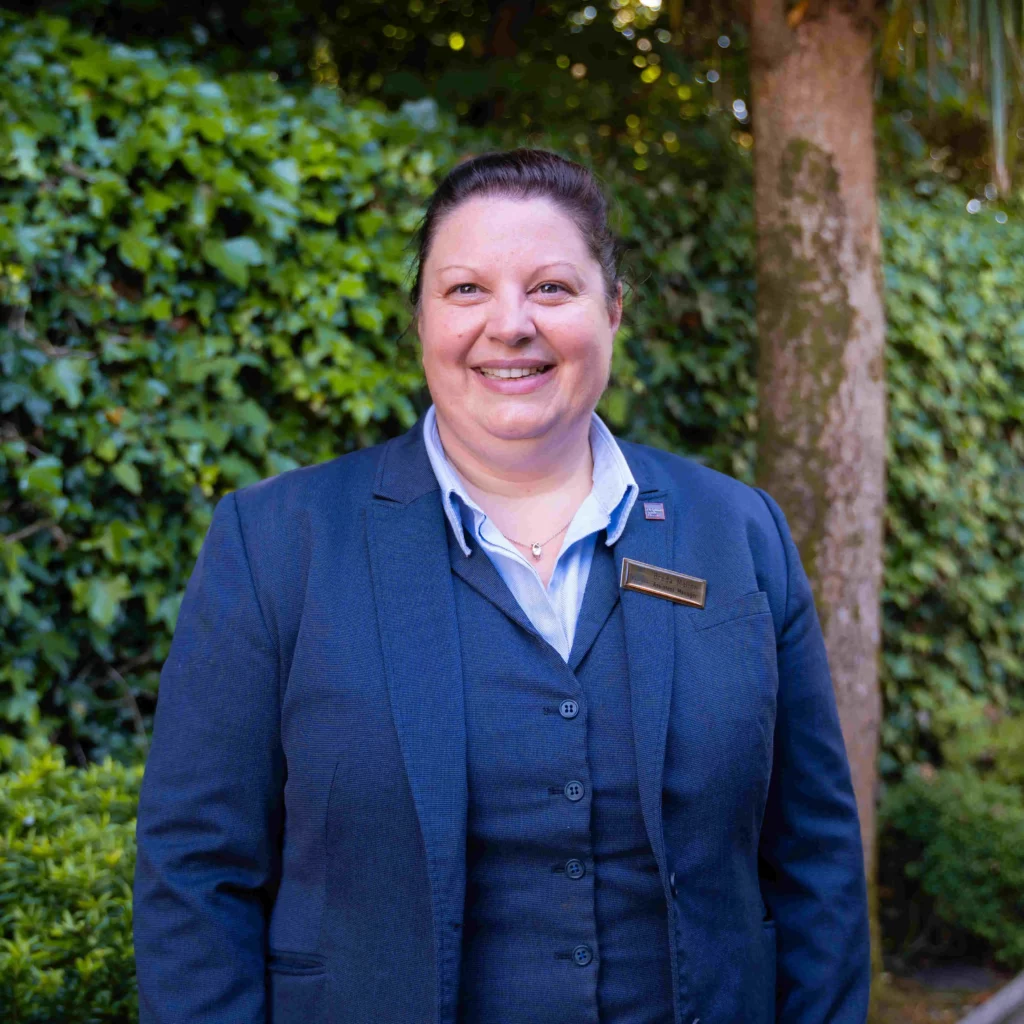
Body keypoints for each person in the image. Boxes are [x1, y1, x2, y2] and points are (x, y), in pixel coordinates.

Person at [133, 148, 870, 1024]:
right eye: (466, 290)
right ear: (422, 320)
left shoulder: (739, 532)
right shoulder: (277, 546)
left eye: (552, 289)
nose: (510, 324)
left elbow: (815, 856)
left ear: (615, 311)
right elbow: (195, 868)